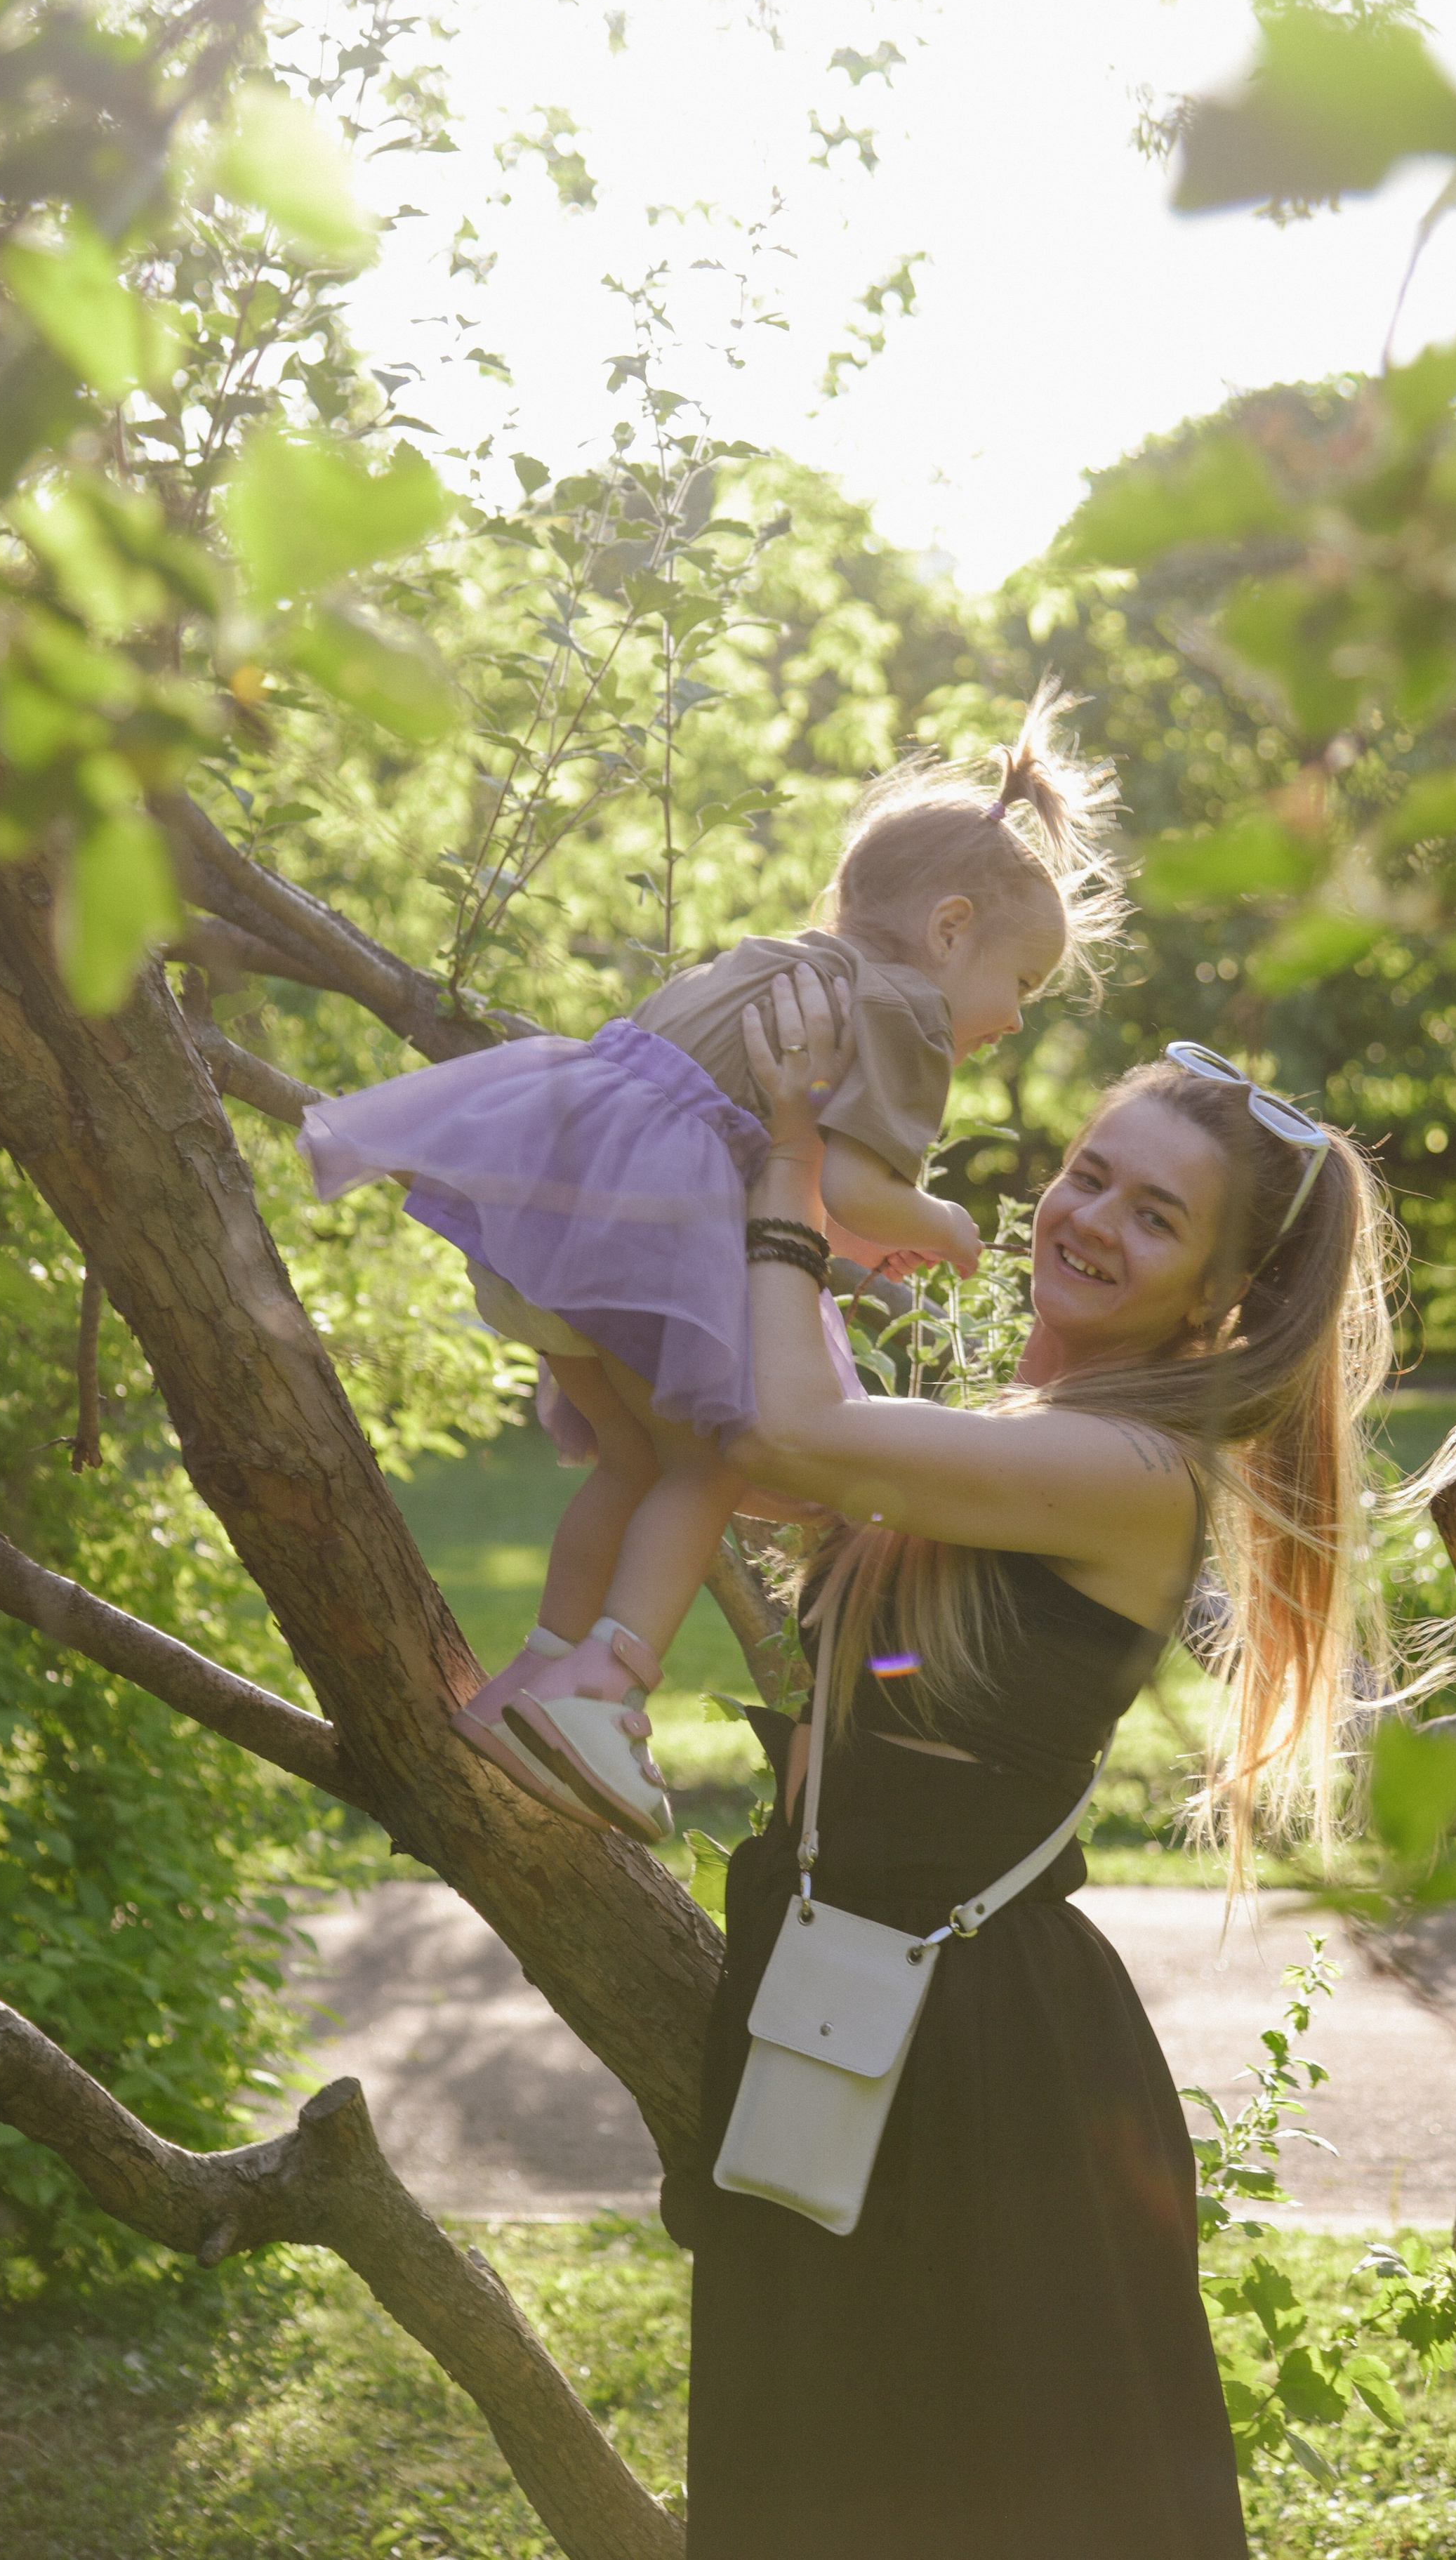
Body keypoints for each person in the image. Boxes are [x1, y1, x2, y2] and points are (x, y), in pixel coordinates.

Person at [675, 968, 1395, 2560]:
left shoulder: (1132, 1469)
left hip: (983, 2064)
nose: (1085, 1218)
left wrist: (792, 1139)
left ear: (1217, 1295)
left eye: (1152, 1217)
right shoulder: (1029, 1425)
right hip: (844, 2002)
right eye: (1087, 1172)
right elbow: (806, 1519)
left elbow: (784, 1433)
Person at [296, 683, 1121, 1842]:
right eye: (1022, 984)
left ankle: (528, 1681)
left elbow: (761, 1157)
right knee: (711, 1465)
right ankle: (606, 1688)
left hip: (553, 1230)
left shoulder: (778, 960)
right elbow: (844, 1186)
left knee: (630, 1462)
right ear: (950, 930)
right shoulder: (905, 1012)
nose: (1017, 1021)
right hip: (635, 1250)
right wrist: (942, 1227)